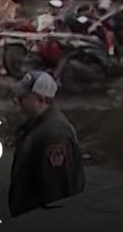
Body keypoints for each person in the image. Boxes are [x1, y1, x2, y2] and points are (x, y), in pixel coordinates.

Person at [8, 71, 85, 217]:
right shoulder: (36, 125)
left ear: (41, 98)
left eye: (24, 97)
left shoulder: (54, 135)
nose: (18, 100)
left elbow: (56, 193)